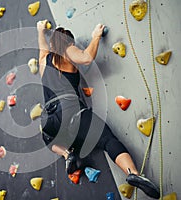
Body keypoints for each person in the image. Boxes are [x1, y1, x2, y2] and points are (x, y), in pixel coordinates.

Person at [37, 20, 160, 199]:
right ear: (67, 42)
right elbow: (86, 57)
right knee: (107, 140)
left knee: (48, 140)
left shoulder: (43, 59)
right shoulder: (67, 51)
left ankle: (66, 154)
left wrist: (40, 30)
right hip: (71, 111)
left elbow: (42, 47)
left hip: (49, 121)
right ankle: (133, 172)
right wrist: (96, 36)